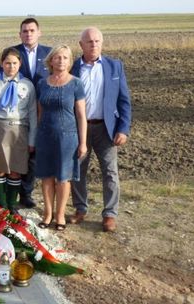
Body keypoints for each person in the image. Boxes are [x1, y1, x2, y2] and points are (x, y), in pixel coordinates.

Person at [70, 27, 132, 232]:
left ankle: (109, 214)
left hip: (106, 129)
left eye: (97, 41)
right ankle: (80, 209)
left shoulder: (115, 67)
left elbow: (124, 101)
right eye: (89, 41)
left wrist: (123, 128)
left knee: (111, 172)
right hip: (80, 129)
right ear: (81, 45)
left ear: (102, 43)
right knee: (78, 171)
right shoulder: (72, 68)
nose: (93, 44)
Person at [35, 45, 87, 231]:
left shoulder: (76, 83)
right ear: (51, 61)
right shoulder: (42, 83)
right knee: (47, 177)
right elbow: (39, 113)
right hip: (45, 136)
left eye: (65, 58)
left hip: (68, 138)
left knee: (63, 178)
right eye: (58, 57)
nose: (61, 61)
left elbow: (81, 115)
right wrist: (36, 137)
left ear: (70, 61)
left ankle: (60, 215)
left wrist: (83, 142)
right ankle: (47, 214)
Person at [0, 47, 37, 213]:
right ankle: (2, 203)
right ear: (1, 63)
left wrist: (32, 140)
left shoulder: (27, 86)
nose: (11, 67)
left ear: (20, 64)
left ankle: (12, 204)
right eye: (7, 63)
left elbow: (33, 114)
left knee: (15, 170)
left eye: (14, 63)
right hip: (0, 128)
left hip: (20, 129)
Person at [12, 17, 52, 209]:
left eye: (32, 30)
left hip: (43, 113)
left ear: (39, 32)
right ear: (20, 34)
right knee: (18, 153)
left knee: (34, 154)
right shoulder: (12, 53)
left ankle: (27, 193)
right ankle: (14, 191)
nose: (28, 34)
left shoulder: (50, 53)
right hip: (18, 114)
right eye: (25, 31)